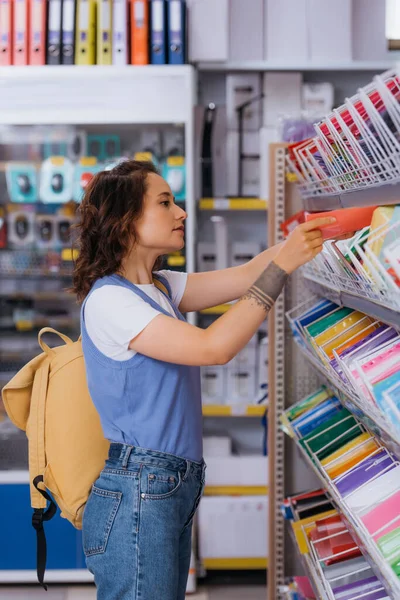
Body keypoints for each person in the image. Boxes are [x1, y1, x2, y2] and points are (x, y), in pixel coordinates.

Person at [72, 159, 337, 600]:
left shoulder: (159, 288)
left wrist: (310, 236)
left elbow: (246, 274)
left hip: (167, 485)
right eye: (164, 203)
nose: (180, 213)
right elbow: (213, 347)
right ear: (125, 221)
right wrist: (281, 267)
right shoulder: (110, 303)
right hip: (140, 487)